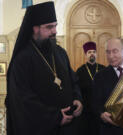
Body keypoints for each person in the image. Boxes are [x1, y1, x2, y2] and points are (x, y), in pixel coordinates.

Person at [5, 2, 83, 135]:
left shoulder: (60, 53)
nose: (55, 31)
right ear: (35, 29)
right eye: (49, 27)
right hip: (41, 129)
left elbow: (73, 80)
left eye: (55, 25)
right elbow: (22, 101)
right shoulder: (22, 60)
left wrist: (78, 98)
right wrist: (56, 117)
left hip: (68, 128)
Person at [76, 41, 105, 135]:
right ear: (86, 55)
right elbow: (77, 90)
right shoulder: (80, 71)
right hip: (86, 111)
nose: (92, 54)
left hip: (101, 110)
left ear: (96, 54)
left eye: (94, 52)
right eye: (89, 52)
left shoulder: (103, 69)